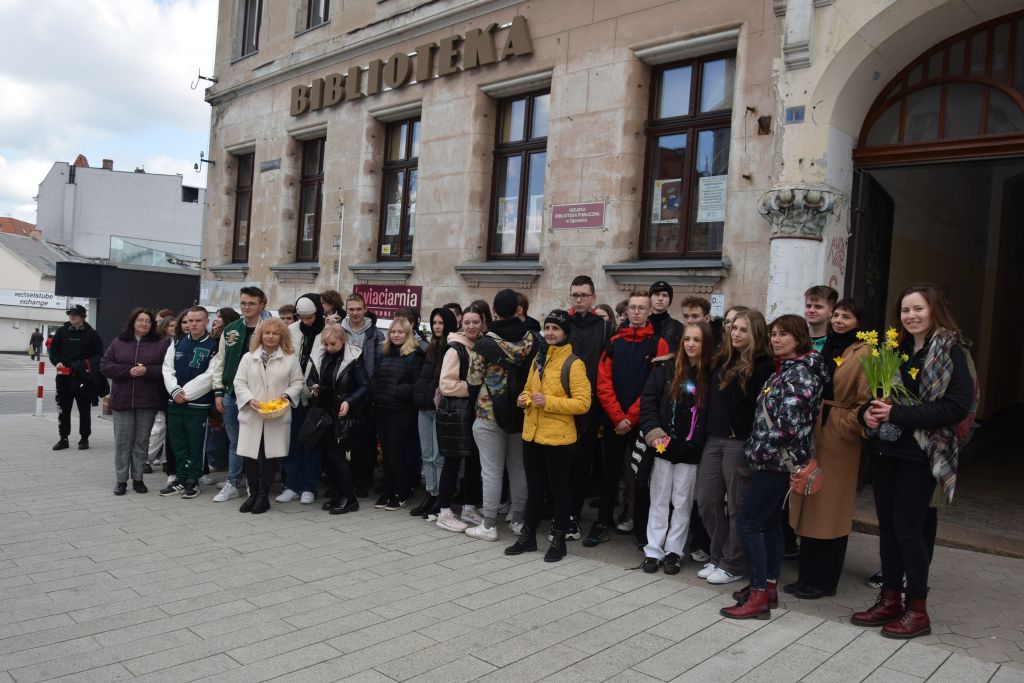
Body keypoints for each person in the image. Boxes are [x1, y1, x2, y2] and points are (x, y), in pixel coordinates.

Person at [852, 284, 974, 639]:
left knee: (908, 529)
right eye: (905, 310)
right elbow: (876, 398)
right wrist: (867, 415)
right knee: (888, 528)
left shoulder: (951, 351)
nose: (911, 316)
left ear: (935, 310)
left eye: (918, 308)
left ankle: (917, 609)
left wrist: (897, 414)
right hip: (887, 451)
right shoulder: (897, 350)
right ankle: (889, 599)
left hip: (923, 454)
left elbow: (955, 408)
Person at [721, 314, 826, 620]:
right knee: (767, 525)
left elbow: (789, 426)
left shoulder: (802, 374)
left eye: (784, 335)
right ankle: (767, 588)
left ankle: (757, 596)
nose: (776, 340)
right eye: (773, 334)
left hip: (777, 462)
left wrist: (759, 448)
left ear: (799, 338)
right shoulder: (786, 369)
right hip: (770, 459)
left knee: (748, 524)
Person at [785, 299, 871, 600]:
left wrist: (842, 424)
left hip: (838, 438)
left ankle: (824, 581)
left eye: (846, 316)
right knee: (808, 500)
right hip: (813, 428)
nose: (838, 320)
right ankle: (805, 576)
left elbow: (866, 399)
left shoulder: (865, 352)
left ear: (859, 321)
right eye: (836, 315)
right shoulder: (822, 347)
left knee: (831, 508)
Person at [584, 290, 670, 548]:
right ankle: (602, 523)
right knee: (609, 475)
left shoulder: (658, 344)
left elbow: (655, 386)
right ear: (626, 311)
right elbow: (603, 382)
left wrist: (630, 418)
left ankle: (642, 530)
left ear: (648, 311)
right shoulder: (614, 342)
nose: (636, 312)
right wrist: (617, 416)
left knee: (642, 476)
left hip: (643, 423)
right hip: (613, 421)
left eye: (641, 308)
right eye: (632, 308)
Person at [695, 309, 773, 586]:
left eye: (743, 330)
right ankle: (717, 555)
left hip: (739, 442)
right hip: (714, 439)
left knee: (737, 505)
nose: (736, 334)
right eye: (734, 328)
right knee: (705, 500)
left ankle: (733, 563)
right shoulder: (722, 359)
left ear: (755, 334)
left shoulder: (763, 365)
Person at [506, 310, 591, 562]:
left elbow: (584, 403)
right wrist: (523, 399)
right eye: (548, 328)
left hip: (559, 439)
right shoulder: (539, 359)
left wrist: (550, 402)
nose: (550, 333)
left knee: (559, 491)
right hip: (532, 435)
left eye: (555, 328)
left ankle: (558, 540)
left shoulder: (574, 363)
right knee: (535, 489)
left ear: (565, 333)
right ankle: (528, 537)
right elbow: (529, 390)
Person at [639, 321, 713, 574]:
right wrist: (654, 432)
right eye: (687, 339)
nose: (691, 344)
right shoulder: (666, 369)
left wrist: (698, 442)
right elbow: (648, 401)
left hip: (690, 450)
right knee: (659, 498)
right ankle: (653, 549)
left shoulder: (710, 374)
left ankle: (674, 550)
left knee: (682, 502)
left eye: (697, 340)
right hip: (663, 446)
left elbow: (710, 414)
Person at [465, 289, 537, 541]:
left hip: (489, 413)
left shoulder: (485, 342)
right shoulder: (533, 339)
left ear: (494, 311)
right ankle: (518, 521)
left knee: (492, 470)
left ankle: (488, 525)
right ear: (518, 309)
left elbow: (473, 379)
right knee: (518, 468)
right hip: (523, 410)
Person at [233, 318, 305, 514]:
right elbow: (239, 382)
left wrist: (286, 395)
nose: (271, 336)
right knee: (250, 456)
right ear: (260, 335)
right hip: (253, 413)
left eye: (275, 333)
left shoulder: (290, 358)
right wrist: (249, 399)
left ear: (282, 336)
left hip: (277, 414)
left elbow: (298, 382)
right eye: (267, 333)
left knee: (269, 456)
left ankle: (263, 497)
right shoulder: (249, 358)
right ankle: (253, 494)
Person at [100, 309, 171, 495]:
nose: (144, 324)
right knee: (122, 443)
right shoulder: (119, 342)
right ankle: (121, 480)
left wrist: (146, 371)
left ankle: (138, 479)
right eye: (141, 320)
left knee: (142, 442)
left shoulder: (162, 343)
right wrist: (127, 371)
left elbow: (167, 369)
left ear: (152, 324)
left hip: (147, 401)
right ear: (133, 322)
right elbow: (105, 365)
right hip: (122, 400)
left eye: (148, 321)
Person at [567, 275, 614, 540]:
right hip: (563, 405)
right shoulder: (563, 323)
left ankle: (575, 515)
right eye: (575, 295)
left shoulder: (605, 328)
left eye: (584, 295)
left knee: (583, 463)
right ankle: (562, 513)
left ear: (594, 298)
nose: (579, 300)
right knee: (562, 462)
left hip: (593, 407)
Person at [210, 286, 267, 502]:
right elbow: (220, 362)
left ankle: (255, 484)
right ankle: (233, 482)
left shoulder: (271, 328)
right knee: (235, 441)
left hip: (259, 395)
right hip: (231, 394)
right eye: (243, 303)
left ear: (261, 305)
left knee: (257, 441)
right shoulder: (231, 329)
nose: (246, 307)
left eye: (252, 303)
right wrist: (218, 392)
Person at [435, 305, 486, 531]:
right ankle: (444, 511)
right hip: (455, 412)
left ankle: (468, 507)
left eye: (476, 322)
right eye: (467, 322)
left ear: (483, 323)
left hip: (474, 412)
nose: (471, 326)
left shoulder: (483, 345)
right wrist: (475, 388)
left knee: (474, 461)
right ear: (461, 325)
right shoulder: (455, 348)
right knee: (453, 461)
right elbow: (446, 385)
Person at [310, 323, 369, 514]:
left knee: (338, 456)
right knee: (329, 457)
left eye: (333, 344)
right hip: (324, 413)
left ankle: (349, 498)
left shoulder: (354, 358)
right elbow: (311, 378)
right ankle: (338, 494)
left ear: (342, 341)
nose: (328, 348)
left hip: (343, 414)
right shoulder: (321, 356)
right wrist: (313, 386)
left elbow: (365, 386)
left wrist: (349, 401)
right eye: (326, 344)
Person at [160, 307, 217, 500]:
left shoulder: (214, 345)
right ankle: (180, 479)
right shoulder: (177, 342)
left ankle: (193, 480)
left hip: (197, 404)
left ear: (206, 321)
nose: (193, 324)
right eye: (189, 321)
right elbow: (167, 369)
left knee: (196, 444)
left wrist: (187, 393)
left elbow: (211, 375)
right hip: (175, 402)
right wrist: (175, 391)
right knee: (178, 443)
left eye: (197, 321)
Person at [371, 318, 425, 510]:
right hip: (383, 409)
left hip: (401, 412)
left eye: (400, 332)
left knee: (397, 454)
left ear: (408, 334)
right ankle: (387, 491)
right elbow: (377, 377)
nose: (396, 335)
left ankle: (400, 493)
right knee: (385, 453)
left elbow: (418, 384)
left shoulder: (414, 355)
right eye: (393, 332)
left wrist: (400, 391)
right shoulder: (384, 352)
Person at [278, 294, 326, 505]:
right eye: (303, 317)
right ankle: (292, 485)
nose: (306, 321)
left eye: (310, 317)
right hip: (293, 394)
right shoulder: (291, 330)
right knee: (292, 442)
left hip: (316, 398)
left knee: (311, 443)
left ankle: (309, 486)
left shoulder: (327, 330)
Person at [412, 307, 459, 517]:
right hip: (425, 406)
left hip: (441, 408)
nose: (437, 327)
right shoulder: (431, 346)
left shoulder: (453, 347)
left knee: (439, 456)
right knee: (427, 455)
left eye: (440, 323)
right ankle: (430, 493)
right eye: (434, 323)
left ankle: (441, 495)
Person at [342, 292, 385, 497]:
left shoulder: (375, 334)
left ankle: (363, 480)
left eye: (359, 309)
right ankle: (343, 479)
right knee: (342, 438)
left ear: (365, 309)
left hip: (366, 392)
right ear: (346, 309)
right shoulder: (339, 330)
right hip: (343, 390)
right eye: (351, 309)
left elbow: (379, 364)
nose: (355, 313)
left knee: (364, 440)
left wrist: (372, 388)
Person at [50, 304, 104, 451]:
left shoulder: (92, 334)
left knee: (84, 409)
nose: (72, 316)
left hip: (82, 378)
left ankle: (84, 438)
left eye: (75, 314)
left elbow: (99, 355)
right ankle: (63, 438)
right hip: (63, 376)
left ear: (83, 317)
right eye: (70, 314)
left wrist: (86, 365)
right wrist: (57, 362)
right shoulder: (62, 332)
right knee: (63, 408)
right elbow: (53, 351)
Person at [648, 281, 683, 352]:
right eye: (656, 294)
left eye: (664, 295)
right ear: (650, 298)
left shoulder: (678, 327)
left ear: (670, 299)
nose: (660, 298)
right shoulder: (641, 323)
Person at [804, 285, 838, 353]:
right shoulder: (796, 339)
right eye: (808, 306)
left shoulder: (838, 342)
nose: (811, 310)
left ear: (831, 311)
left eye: (818, 307)